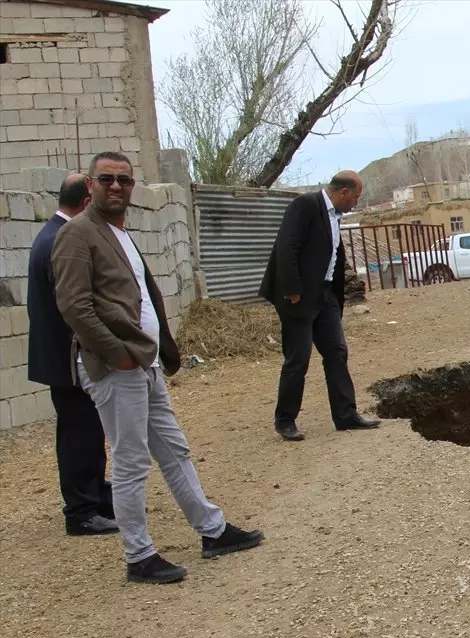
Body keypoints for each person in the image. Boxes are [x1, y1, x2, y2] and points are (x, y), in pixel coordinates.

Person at [52, 152, 264, 584]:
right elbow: (74, 305)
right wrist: (117, 354)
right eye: (106, 179)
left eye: (124, 180)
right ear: (89, 185)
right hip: (117, 366)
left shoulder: (119, 233)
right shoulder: (77, 234)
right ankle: (140, 556)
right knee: (131, 462)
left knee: (173, 449)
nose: (116, 186)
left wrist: (159, 349)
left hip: (141, 361)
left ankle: (213, 530)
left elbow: (142, 297)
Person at [26, 173, 118, 536]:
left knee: (90, 429)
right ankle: (80, 510)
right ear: (85, 203)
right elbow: (73, 305)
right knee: (78, 432)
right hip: (67, 357)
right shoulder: (60, 239)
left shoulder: (52, 234)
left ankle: (96, 495)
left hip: (64, 354)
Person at [258, 171, 380, 442]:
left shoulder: (335, 217)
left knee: (337, 352)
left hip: (325, 297)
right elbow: (286, 246)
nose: (355, 205)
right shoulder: (306, 205)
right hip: (299, 297)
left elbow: (333, 256)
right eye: (355, 198)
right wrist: (291, 289)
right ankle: (285, 420)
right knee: (298, 359)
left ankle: (346, 415)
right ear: (343, 193)